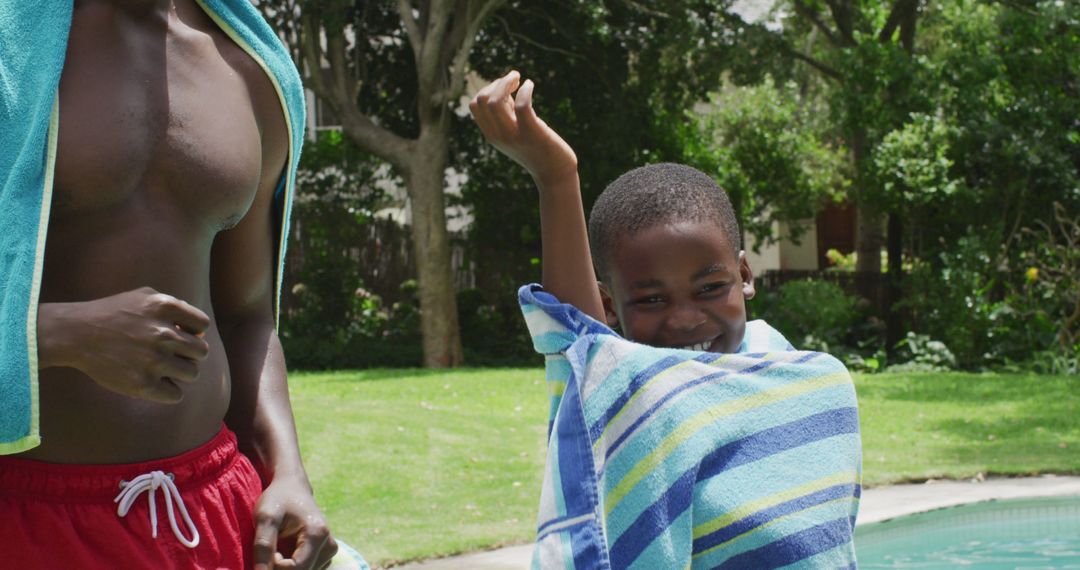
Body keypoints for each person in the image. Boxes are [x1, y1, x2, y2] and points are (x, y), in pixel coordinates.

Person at [0, 1, 363, 568]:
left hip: (213, 514)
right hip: (23, 517)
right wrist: (60, 334)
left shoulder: (248, 65)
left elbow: (246, 315)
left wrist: (288, 472)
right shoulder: (10, 49)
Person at [471, 71, 861, 568]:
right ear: (609, 307)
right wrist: (556, 177)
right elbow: (579, 343)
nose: (684, 319)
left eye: (710, 288)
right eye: (652, 300)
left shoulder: (814, 382)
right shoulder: (637, 393)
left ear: (744, 275)